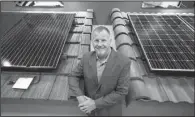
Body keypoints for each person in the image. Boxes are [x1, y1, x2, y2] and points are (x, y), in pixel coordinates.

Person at [69, 25, 131, 116]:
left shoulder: (124, 62)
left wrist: (95, 104)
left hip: (110, 111)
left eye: (103, 40)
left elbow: (122, 91)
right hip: (90, 112)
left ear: (110, 41)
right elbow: (73, 76)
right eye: (96, 40)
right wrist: (79, 96)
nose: (99, 44)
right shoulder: (86, 58)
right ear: (92, 42)